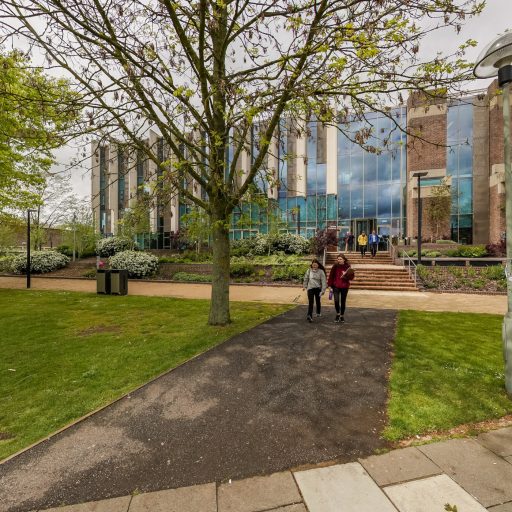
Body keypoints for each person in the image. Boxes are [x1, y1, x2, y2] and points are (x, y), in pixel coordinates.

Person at [327, 253, 354, 324]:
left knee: (343, 301)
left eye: (340, 259)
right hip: (336, 286)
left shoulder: (348, 266)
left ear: (344, 259)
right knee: (336, 301)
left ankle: (342, 315)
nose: (339, 260)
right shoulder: (335, 266)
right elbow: (331, 276)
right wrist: (329, 285)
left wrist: (346, 274)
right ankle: (338, 313)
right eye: (338, 259)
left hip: (344, 287)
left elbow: (351, 278)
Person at [303, 258, 327, 323]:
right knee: (311, 302)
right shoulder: (309, 271)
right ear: (312, 265)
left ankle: (318, 312)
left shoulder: (321, 271)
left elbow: (324, 281)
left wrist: (323, 290)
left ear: (318, 265)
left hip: (318, 289)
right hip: (310, 288)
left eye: (316, 265)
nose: (314, 266)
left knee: (318, 300)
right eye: (313, 265)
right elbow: (306, 278)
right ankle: (309, 315)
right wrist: (304, 286)